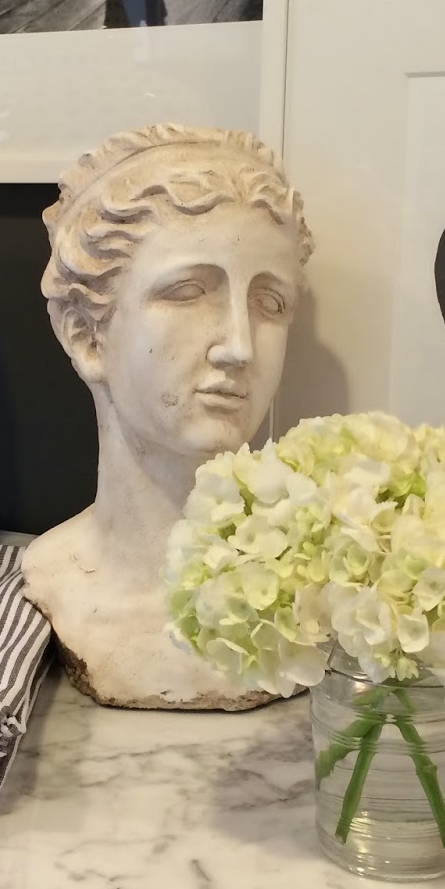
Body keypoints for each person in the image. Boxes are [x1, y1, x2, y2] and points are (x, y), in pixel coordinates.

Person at [23, 124, 314, 709]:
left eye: (269, 303)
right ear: (86, 335)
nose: (239, 347)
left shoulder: (309, 599)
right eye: (186, 293)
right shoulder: (60, 580)